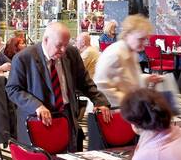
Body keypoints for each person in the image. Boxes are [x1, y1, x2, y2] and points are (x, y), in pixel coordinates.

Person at [6, 21, 114, 150]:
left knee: (68, 158)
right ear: (46, 40)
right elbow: (13, 89)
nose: (63, 50)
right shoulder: (24, 58)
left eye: (66, 45)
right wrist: (36, 105)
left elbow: (84, 81)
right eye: (59, 45)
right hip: (37, 119)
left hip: (66, 115)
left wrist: (99, 100)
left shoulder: (71, 53)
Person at [93, 14, 163, 105]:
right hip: (112, 109)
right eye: (141, 39)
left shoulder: (132, 53)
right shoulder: (114, 54)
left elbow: (127, 79)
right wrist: (131, 100)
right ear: (127, 35)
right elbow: (101, 88)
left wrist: (148, 78)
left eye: (146, 39)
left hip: (126, 107)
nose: (145, 43)